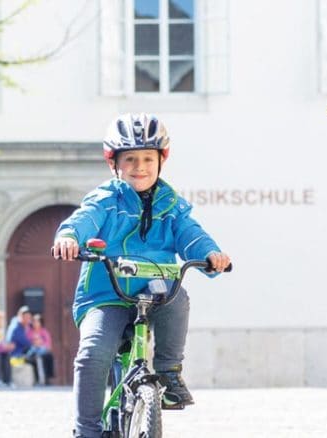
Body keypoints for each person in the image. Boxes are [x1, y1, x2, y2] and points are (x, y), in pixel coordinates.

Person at [51, 113, 231, 438]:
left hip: (156, 289)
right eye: (130, 159)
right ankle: (87, 430)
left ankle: (169, 372)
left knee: (179, 298)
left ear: (161, 161)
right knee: (93, 354)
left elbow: (191, 235)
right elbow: (83, 220)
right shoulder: (107, 199)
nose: (140, 166)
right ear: (114, 163)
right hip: (107, 295)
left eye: (148, 158)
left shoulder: (172, 206)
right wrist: (68, 238)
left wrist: (210, 254)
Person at [26, 313, 55, 386]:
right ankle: (39, 379)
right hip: (33, 350)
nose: (35, 323)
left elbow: (48, 344)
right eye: (34, 322)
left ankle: (44, 379)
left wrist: (41, 343)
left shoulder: (44, 331)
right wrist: (34, 343)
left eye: (37, 322)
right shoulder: (30, 332)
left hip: (42, 350)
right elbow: (28, 341)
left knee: (44, 357)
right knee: (33, 354)